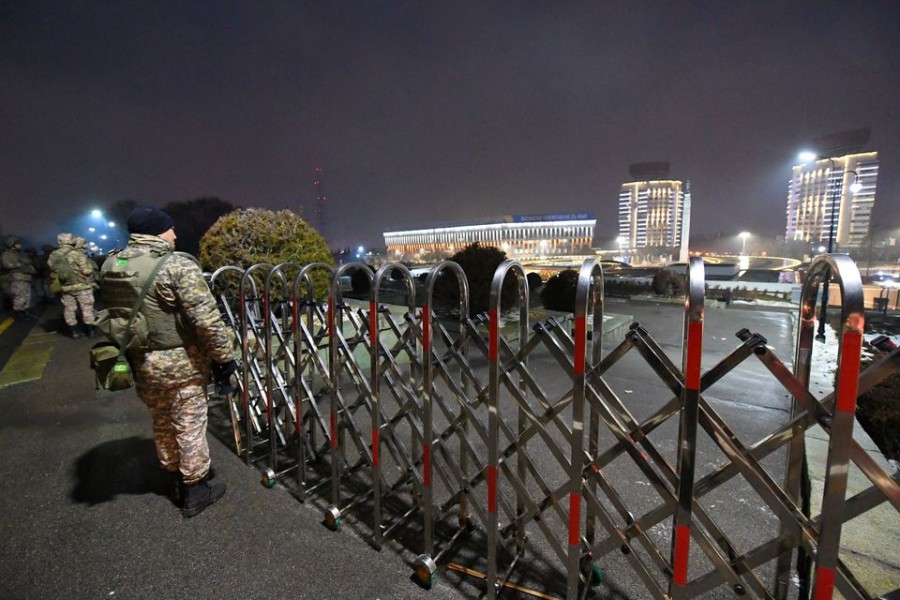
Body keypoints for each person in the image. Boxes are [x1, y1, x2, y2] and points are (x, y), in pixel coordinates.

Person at [98, 206, 236, 518]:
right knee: (188, 423)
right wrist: (224, 358)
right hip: (181, 363)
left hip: (140, 360)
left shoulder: (112, 262)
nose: (175, 234)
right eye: (170, 229)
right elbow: (207, 321)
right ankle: (195, 489)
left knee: (161, 420)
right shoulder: (174, 265)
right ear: (158, 232)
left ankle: (173, 475)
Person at [48, 233, 98, 338]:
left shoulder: (54, 254)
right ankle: (91, 331)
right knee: (87, 308)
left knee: (69, 309)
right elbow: (86, 271)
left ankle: (74, 332)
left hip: (65, 287)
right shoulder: (77, 254)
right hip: (81, 286)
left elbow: (52, 268)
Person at [1, 236, 38, 320]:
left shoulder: (18, 254)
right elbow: (6, 265)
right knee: (19, 297)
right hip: (17, 278)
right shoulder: (6, 254)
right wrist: (20, 265)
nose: (20, 245)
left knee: (26, 297)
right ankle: (19, 314)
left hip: (25, 278)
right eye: (17, 244)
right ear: (11, 245)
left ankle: (24, 312)